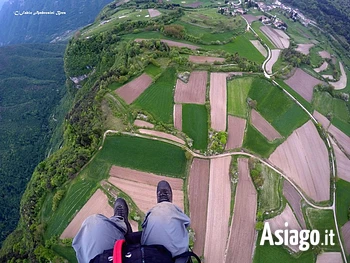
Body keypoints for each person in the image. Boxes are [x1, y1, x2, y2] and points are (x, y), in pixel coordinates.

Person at [72, 180, 191, 263]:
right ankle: (164, 205)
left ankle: (119, 223)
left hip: (111, 259)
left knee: (92, 224)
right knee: (164, 214)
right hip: (161, 257)